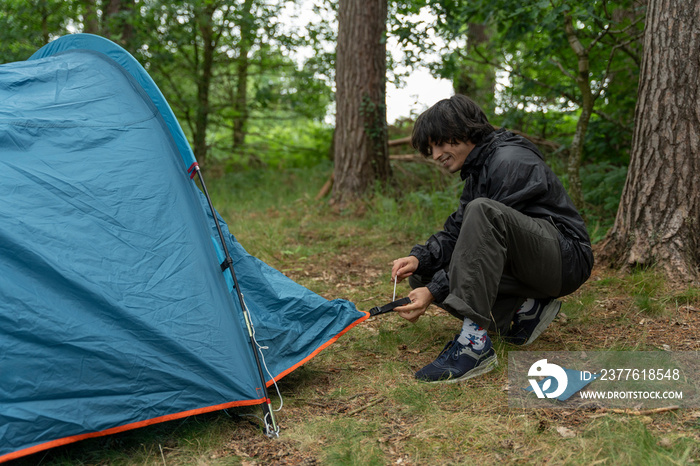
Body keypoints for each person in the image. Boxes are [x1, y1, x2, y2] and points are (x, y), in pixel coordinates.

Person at [391, 94, 594, 384]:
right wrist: (419, 258)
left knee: (481, 213)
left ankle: (474, 344)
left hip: (565, 258)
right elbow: (458, 233)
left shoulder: (509, 160)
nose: (435, 155)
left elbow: (482, 238)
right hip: (528, 263)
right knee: (421, 275)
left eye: (438, 144)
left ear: (461, 131)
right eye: (430, 149)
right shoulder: (478, 167)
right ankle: (525, 308)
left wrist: (435, 291)